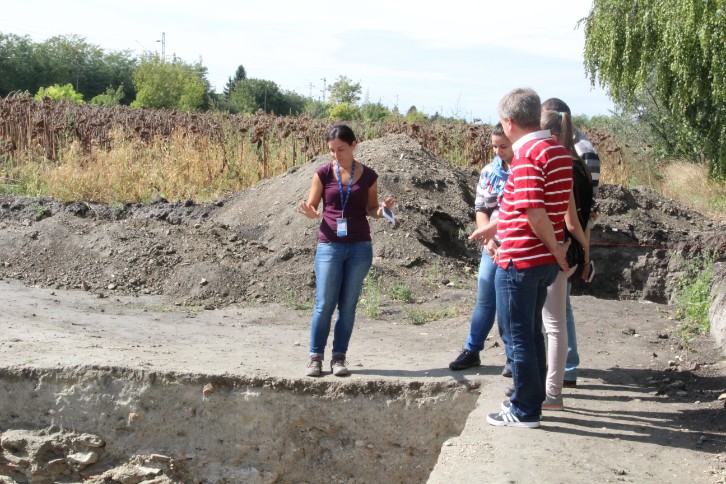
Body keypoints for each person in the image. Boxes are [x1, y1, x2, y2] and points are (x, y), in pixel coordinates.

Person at [470, 88, 572, 428]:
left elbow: (535, 213)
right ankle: (532, 399)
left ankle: (524, 409)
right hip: (540, 260)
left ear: (509, 122)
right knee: (530, 333)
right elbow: (528, 205)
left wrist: (556, 248)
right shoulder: (556, 150)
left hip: (521, 260)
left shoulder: (527, 155)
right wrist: (493, 227)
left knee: (517, 336)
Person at [298, 124, 395, 377]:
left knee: (348, 306)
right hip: (329, 245)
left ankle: (339, 357)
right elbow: (312, 205)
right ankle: (315, 357)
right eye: (332, 150)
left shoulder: (369, 175)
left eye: (340, 149)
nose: (336, 155)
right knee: (324, 304)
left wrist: (382, 210)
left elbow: (371, 209)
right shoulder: (322, 174)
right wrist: (311, 213)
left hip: (359, 248)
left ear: (353, 145)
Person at [541, 97, 601, 387]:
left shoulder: (563, 167)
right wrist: (586, 255)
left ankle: (559, 373)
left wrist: (578, 249)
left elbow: (572, 221)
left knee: (552, 317)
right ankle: (567, 368)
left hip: (561, 247)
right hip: (575, 248)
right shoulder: (582, 164)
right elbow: (586, 217)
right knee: (561, 311)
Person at [449, 123, 513, 374]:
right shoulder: (488, 172)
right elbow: (482, 209)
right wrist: (488, 240)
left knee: (509, 305)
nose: (498, 151)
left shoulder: (524, 170)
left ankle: (513, 357)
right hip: (492, 245)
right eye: (494, 147)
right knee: (485, 299)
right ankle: (472, 349)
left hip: (515, 245)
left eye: (503, 146)